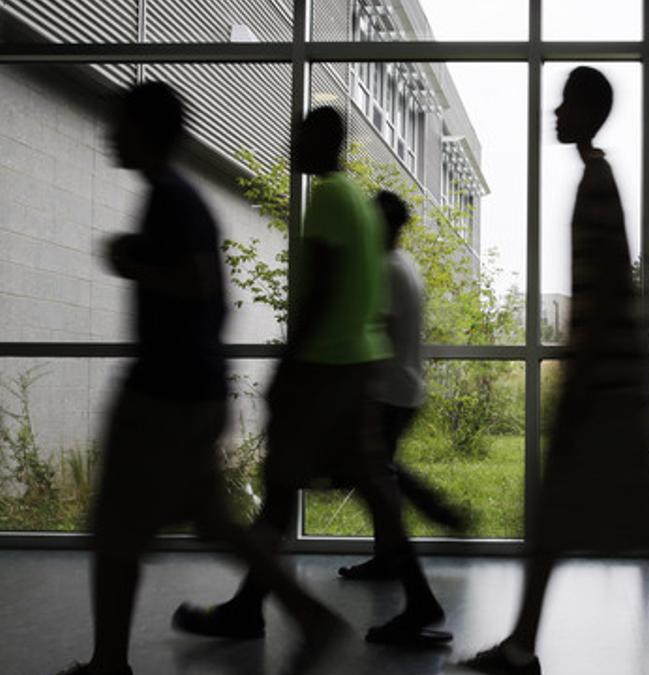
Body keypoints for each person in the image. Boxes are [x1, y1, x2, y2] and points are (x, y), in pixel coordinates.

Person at [458, 66, 649, 675]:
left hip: (603, 388)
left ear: (588, 111)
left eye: (566, 103)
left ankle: (523, 650)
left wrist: (579, 384)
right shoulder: (597, 179)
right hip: (610, 382)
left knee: (593, 521)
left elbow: (600, 296)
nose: (556, 113)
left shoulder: (595, 183)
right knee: (602, 520)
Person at [57, 82, 342, 675]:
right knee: (214, 522)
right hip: (193, 391)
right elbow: (215, 302)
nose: (109, 133)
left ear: (144, 130)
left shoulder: (172, 196)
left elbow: (199, 288)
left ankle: (109, 663)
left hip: (163, 396)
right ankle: (312, 619)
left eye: (120, 122)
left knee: (115, 532)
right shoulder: (177, 199)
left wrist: (129, 262)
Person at [171, 107, 432, 646]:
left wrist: (288, 366)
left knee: (285, 489)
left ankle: (250, 610)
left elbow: (321, 292)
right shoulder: (358, 204)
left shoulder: (329, 200)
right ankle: (419, 601)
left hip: (326, 372)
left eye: (302, 135)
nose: (292, 143)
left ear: (325, 141)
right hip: (356, 369)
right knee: (360, 490)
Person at [336, 190, 458, 647]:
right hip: (404, 389)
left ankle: (431, 510)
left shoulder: (385, 269)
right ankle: (390, 557)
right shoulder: (404, 264)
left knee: (378, 478)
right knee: (378, 475)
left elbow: (377, 329)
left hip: (385, 393)